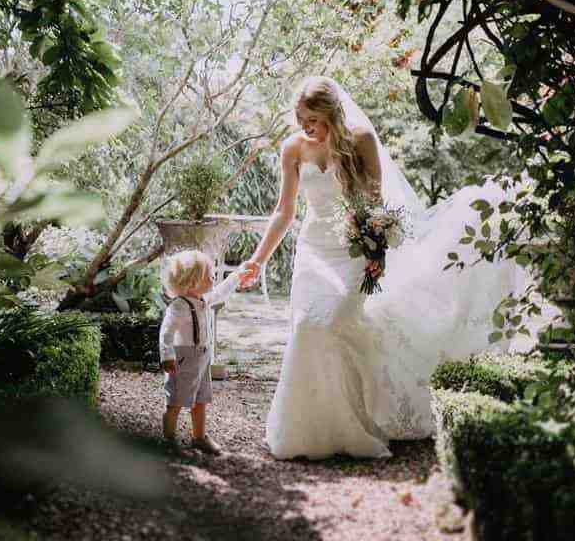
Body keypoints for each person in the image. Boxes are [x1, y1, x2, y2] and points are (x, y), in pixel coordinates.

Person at [239, 76, 530, 459]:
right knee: (309, 327)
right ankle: (309, 432)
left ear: (330, 113)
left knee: (336, 321)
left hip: (353, 250)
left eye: (311, 118)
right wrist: (257, 260)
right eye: (299, 117)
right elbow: (285, 211)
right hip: (313, 251)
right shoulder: (293, 148)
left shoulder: (360, 139)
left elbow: (376, 199)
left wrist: (376, 250)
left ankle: (356, 425)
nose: (304, 126)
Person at [159, 249, 254, 455]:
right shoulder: (179, 306)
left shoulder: (202, 299)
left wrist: (237, 275)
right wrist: (167, 356)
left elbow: (221, 292)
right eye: (209, 276)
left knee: (201, 398)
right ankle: (168, 439)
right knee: (175, 400)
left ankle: (199, 437)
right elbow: (166, 333)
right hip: (182, 358)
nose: (213, 279)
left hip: (202, 356)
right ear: (193, 281)